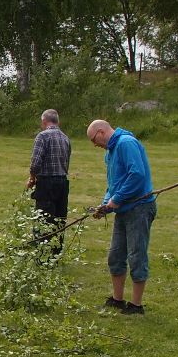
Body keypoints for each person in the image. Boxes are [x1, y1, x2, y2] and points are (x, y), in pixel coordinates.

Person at [87, 119, 157, 315]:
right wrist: (106, 203)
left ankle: (136, 305)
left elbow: (137, 175)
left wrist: (116, 199)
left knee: (136, 255)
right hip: (123, 209)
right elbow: (114, 183)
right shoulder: (110, 151)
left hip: (139, 208)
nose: (95, 145)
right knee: (116, 256)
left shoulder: (126, 143)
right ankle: (118, 300)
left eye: (94, 140)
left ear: (101, 132)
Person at [26, 108, 71, 253]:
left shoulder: (42, 137)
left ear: (44, 121)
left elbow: (35, 163)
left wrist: (32, 178)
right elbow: (67, 162)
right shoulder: (66, 138)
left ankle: (42, 254)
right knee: (59, 219)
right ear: (58, 121)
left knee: (44, 218)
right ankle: (55, 254)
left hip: (46, 184)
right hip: (63, 183)